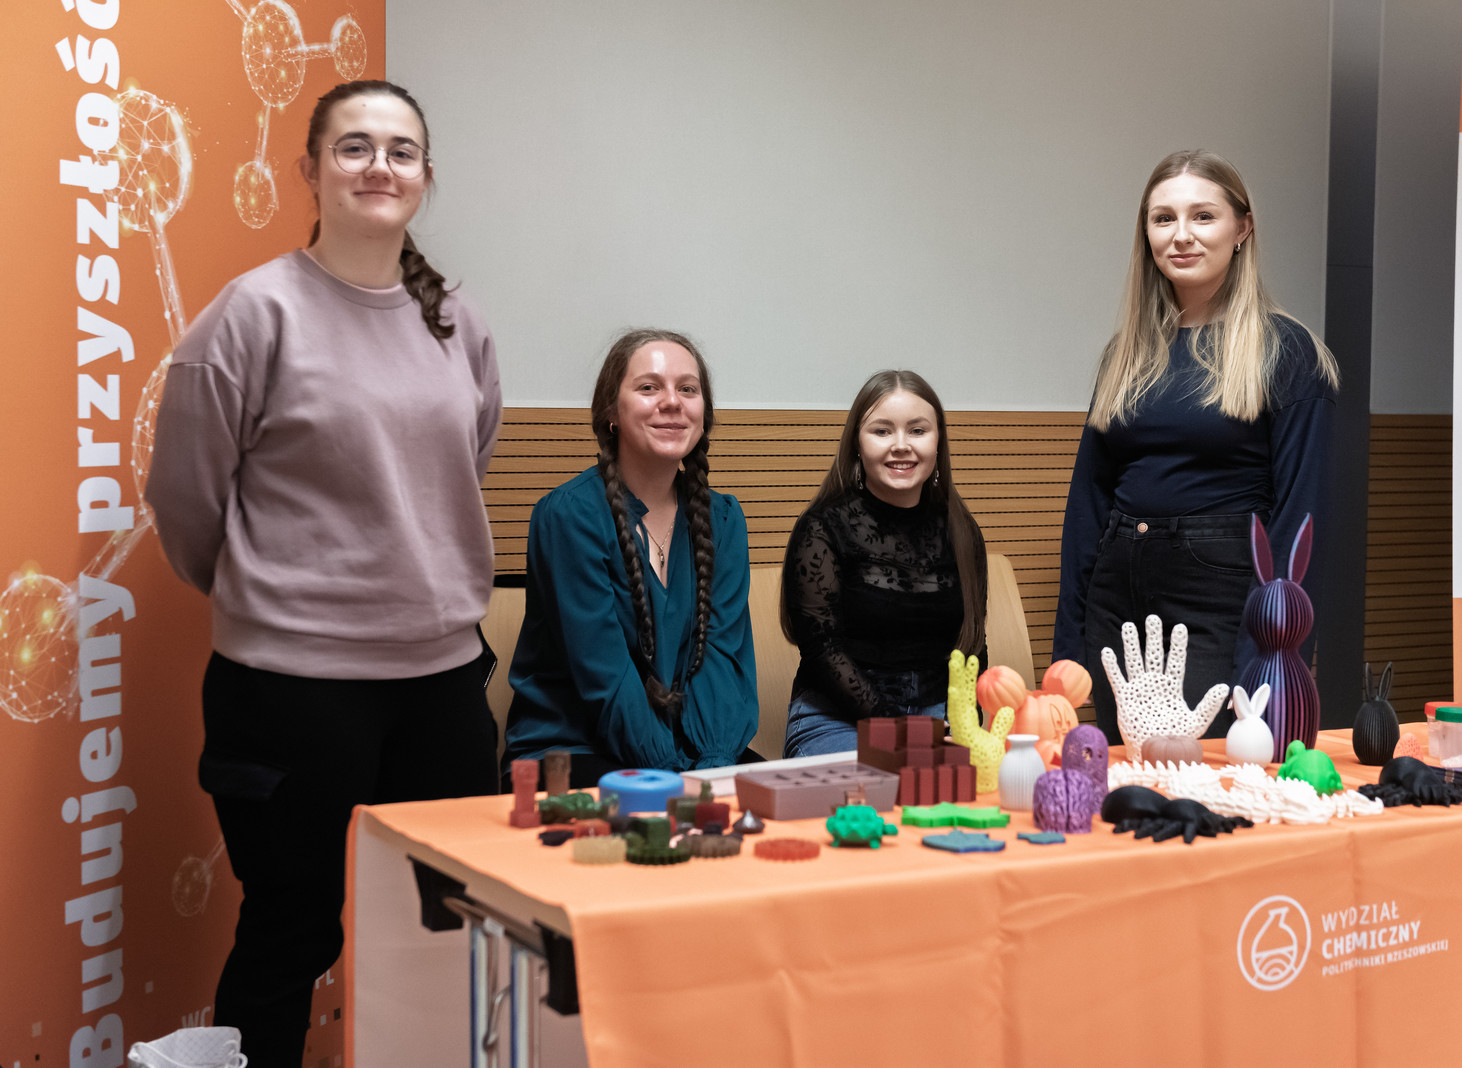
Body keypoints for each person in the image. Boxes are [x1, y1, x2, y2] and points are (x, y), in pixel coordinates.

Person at [145, 80, 501, 1067]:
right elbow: (187, 503)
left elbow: (457, 472)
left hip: (439, 684)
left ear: (425, 176)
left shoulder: (458, 322)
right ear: (309, 169)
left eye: (400, 150)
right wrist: (280, 597)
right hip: (289, 690)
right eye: (354, 147)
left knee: (448, 929)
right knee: (289, 932)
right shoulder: (252, 314)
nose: (379, 166)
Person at [1051, 149, 1340, 745]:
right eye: (1163, 218)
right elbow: (1087, 507)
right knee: (1124, 780)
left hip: (1222, 603)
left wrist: (1270, 657)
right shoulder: (1125, 353)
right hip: (1116, 596)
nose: (1181, 235)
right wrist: (1068, 652)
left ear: (1243, 228)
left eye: (1203, 216)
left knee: (1201, 781)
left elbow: (1298, 523)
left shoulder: (1288, 352)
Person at [502, 329, 759, 787]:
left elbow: (722, 659)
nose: (672, 401)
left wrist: (713, 768)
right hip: (576, 749)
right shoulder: (570, 516)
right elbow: (604, 679)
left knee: (787, 811)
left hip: (695, 751)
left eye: (688, 389)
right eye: (649, 387)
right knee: (658, 821)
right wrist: (677, 783)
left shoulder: (723, 519)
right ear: (610, 412)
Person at [780, 370, 988, 758]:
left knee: (987, 785)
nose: (901, 445)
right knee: (886, 789)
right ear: (857, 444)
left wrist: (965, 725)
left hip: (938, 714)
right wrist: (903, 732)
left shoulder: (962, 529)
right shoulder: (822, 527)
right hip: (838, 717)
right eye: (882, 431)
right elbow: (822, 649)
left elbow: (972, 645)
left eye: (917, 430)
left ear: (938, 441)